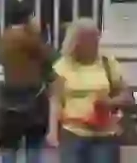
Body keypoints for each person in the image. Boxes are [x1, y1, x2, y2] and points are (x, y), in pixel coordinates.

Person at [48, 18, 126, 163]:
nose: (95, 43)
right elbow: (56, 100)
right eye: (90, 39)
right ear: (76, 42)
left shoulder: (108, 63)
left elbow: (125, 95)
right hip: (73, 133)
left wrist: (110, 103)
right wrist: (53, 131)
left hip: (105, 135)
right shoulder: (64, 65)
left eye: (96, 38)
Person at [0, 0, 52, 163]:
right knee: (34, 145)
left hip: (9, 98)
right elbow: (48, 56)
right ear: (27, 17)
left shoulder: (4, 37)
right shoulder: (27, 38)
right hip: (31, 97)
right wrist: (38, 33)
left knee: (9, 147)